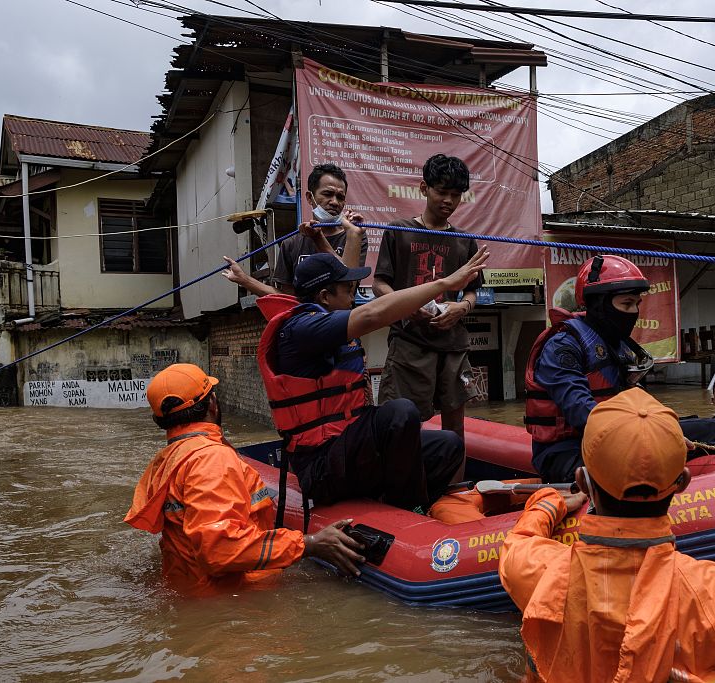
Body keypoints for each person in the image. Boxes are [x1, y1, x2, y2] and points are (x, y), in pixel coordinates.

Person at [499, 388, 715, 683]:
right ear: (683, 482)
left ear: (582, 483)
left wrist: (548, 501)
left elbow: (518, 542)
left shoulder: (538, 571)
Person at [256, 246, 489, 515]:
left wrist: (351, 235)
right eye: (348, 291)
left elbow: (353, 280)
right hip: (321, 465)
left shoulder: (329, 320)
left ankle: (391, 505)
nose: (354, 297)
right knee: (400, 412)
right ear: (324, 296)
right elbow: (373, 314)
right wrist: (447, 283)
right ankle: (409, 509)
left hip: (349, 449)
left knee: (448, 445)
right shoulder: (302, 329)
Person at [124, 363, 367, 595]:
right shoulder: (211, 460)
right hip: (229, 605)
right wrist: (309, 543)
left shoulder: (168, 459)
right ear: (212, 404)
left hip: (193, 595)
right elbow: (219, 549)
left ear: (160, 420)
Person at [372, 154, 482, 442]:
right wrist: (408, 309)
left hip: (452, 345)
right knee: (404, 426)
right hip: (409, 343)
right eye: (441, 191)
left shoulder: (465, 241)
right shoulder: (400, 231)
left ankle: (455, 488)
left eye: (456, 195)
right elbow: (380, 284)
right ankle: (410, 487)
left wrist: (462, 307)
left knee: (455, 430)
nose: (448, 200)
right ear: (424, 189)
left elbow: (473, 290)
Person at [524, 254, 653, 482]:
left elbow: (637, 399)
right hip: (564, 450)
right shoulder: (563, 346)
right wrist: (643, 438)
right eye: (626, 304)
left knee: (701, 429)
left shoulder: (615, 343)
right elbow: (581, 411)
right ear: (599, 305)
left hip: (615, 438)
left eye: (636, 304)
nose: (633, 312)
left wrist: (663, 428)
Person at [222, 163, 368, 296]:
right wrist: (244, 279)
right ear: (310, 198)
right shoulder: (291, 243)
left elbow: (349, 287)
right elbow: (289, 299)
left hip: (342, 321)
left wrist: (326, 239)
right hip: (305, 322)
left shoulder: (354, 236)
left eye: (340, 197)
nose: (335, 202)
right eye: (328, 194)